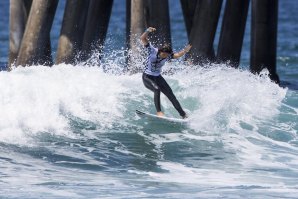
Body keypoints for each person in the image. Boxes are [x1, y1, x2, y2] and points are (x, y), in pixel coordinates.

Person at [140, 27, 192, 119]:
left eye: (167, 55)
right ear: (160, 51)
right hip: (147, 77)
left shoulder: (167, 56)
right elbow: (143, 39)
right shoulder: (152, 50)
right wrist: (147, 31)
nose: (165, 57)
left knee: (171, 95)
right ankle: (159, 112)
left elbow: (177, 55)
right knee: (156, 89)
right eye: (164, 55)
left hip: (158, 77)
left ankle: (183, 115)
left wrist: (185, 51)